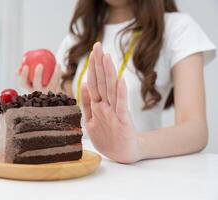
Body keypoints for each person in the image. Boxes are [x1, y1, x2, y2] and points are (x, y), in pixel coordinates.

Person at [19, 0, 216, 163]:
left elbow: (195, 130)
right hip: (81, 167)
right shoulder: (80, 34)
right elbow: (71, 122)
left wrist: (135, 146)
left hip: (140, 173)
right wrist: (48, 103)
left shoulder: (178, 27)